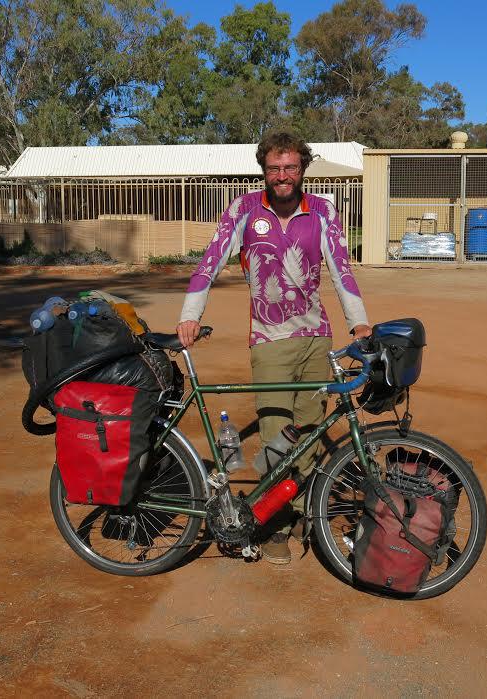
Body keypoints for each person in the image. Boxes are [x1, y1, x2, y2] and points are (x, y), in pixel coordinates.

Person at [177, 131, 370, 564]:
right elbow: (210, 263)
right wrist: (190, 314)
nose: (282, 176)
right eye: (274, 168)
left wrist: (359, 325)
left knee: (308, 434)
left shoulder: (323, 210)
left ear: (302, 169)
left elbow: (341, 270)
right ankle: (275, 525)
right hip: (269, 341)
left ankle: (303, 514)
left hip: (316, 339)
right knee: (275, 437)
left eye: (290, 167)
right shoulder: (243, 209)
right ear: (264, 170)